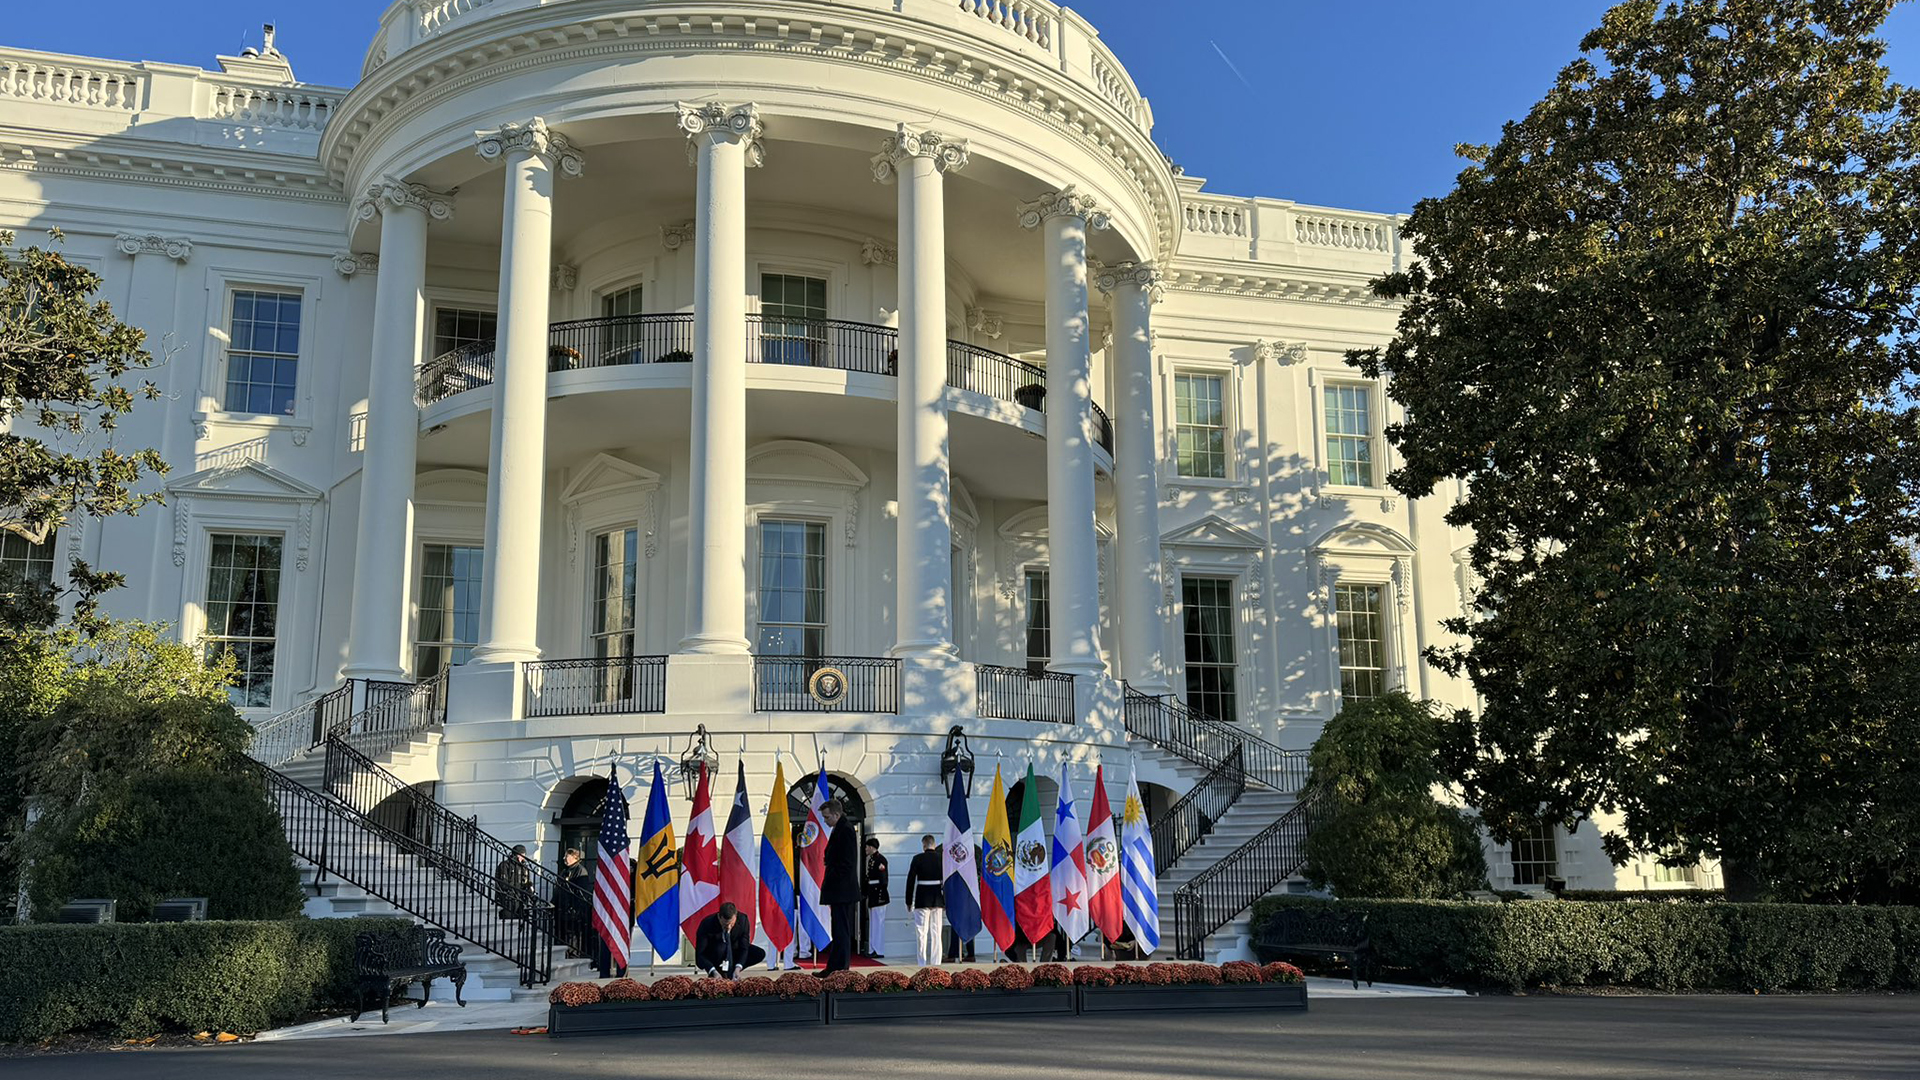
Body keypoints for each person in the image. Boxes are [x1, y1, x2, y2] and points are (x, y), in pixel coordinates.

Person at [820, 799, 859, 973]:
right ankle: (834, 967)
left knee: (842, 930)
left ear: (836, 814)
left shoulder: (846, 830)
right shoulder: (840, 828)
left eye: (827, 817)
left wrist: (833, 878)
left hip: (842, 889)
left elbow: (847, 862)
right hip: (839, 889)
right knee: (838, 930)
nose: (825, 820)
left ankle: (841, 968)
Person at [695, 902, 766, 979]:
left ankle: (732, 971)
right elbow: (700, 954)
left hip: (734, 950)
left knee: (759, 953)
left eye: (731, 924)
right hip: (715, 953)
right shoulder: (707, 924)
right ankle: (719, 973)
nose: (728, 927)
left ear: (736, 916)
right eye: (725, 925)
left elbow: (744, 947)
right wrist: (713, 970)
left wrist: (738, 968)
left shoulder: (743, 920)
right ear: (719, 917)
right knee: (721, 947)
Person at [905, 834, 945, 967]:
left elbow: (910, 881)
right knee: (936, 932)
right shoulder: (942, 858)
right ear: (934, 844)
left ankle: (921, 963)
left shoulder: (917, 858)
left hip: (922, 898)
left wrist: (908, 901)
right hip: (937, 898)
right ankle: (936, 963)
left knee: (921, 933)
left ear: (924, 846)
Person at [557, 847, 591, 956]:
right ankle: (566, 953)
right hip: (563, 907)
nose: (564, 858)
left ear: (574, 857)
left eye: (566, 856)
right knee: (564, 932)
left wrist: (575, 906)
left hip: (574, 908)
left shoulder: (580, 871)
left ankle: (573, 954)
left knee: (573, 934)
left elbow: (581, 891)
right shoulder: (565, 871)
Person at [862, 837, 890, 959]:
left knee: (878, 924)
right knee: (873, 923)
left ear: (872, 847)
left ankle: (879, 950)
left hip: (879, 896)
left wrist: (875, 892)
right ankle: (873, 948)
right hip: (872, 895)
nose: (865, 849)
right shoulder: (871, 860)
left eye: (867, 847)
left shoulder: (880, 860)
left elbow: (883, 881)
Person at [494, 844, 531, 921]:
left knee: (521, 920)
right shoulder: (505, 865)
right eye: (522, 855)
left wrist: (529, 887)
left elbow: (526, 881)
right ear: (517, 855)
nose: (523, 858)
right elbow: (503, 883)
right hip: (508, 898)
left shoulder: (524, 867)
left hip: (520, 898)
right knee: (508, 920)